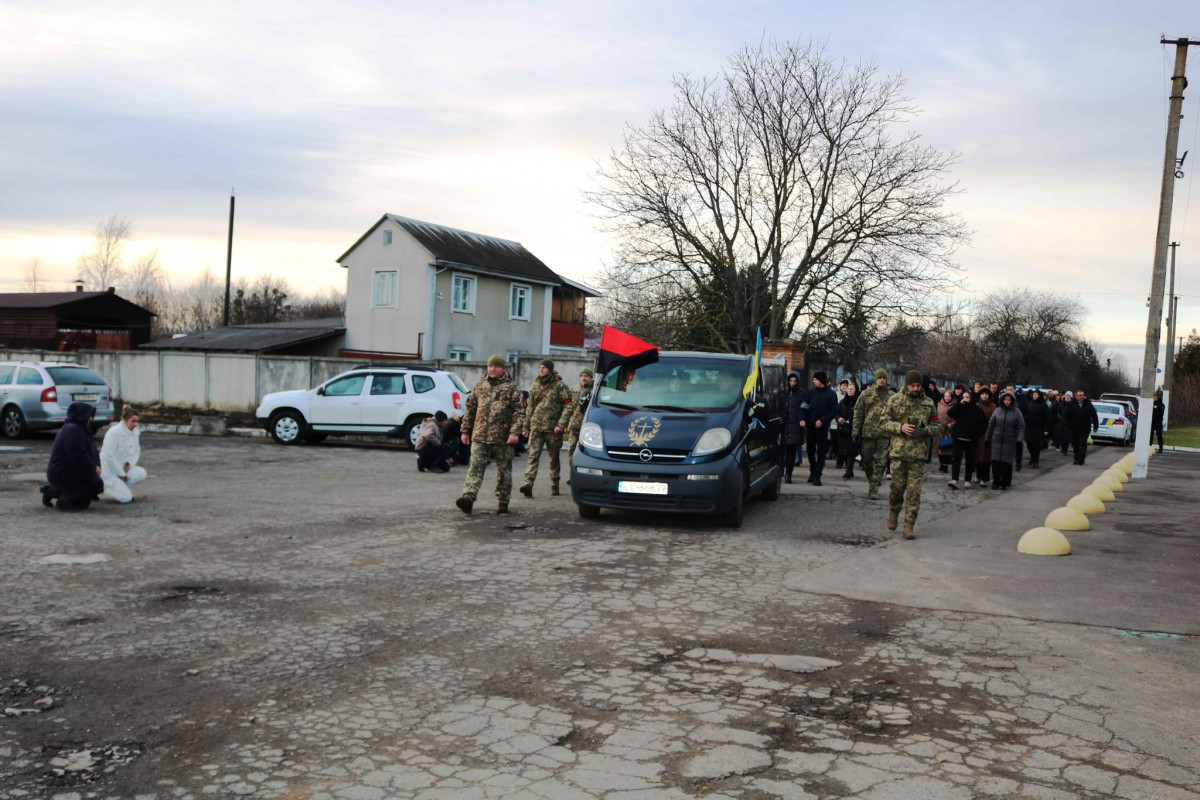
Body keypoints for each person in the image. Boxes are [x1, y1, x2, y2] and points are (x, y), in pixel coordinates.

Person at [456, 355, 525, 515]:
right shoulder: (479, 386)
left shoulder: (512, 388)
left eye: (495, 366)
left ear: (503, 368)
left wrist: (515, 432)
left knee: (504, 471)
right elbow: (470, 410)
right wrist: (465, 431)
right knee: (475, 467)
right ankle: (468, 498)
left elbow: (519, 412)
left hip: (503, 438)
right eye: (490, 366)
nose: (492, 369)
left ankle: (503, 502)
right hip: (480, 435)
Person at [880, 370, 942, 539]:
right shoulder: (895, 400)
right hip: (898, 453)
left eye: (918, 385)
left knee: (914, 492)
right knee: (897, 488)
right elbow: (883, 422)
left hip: (918, 455)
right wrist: (900, 428)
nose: (915, 388)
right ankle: (894, 512)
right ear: (907, 385)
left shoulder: (928, 403)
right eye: (913, 385)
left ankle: (909, 526)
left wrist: (925, 431)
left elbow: (937, 426)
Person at [520, 359, 572, 498]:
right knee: (533, 456)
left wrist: (561, 424)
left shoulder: (560, 386)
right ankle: (528, 484)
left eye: (543, 367)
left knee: (553, 458)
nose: (541, 370)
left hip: (552, 429)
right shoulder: (536, 384)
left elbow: (568, 405)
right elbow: (530, 407)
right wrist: (526, 426)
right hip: (536, 427)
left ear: (550, 369)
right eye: (539, 367)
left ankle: (554, 484)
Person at [40, 402, 104, 511]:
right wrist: (93, 469)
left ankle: (55, 491)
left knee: (90, 493)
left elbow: (93, 451)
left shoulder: (81, 429)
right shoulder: (72, 430)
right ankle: (63, 500)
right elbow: (78, 456)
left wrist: (96, 466)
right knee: (95, 485)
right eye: (89, 416)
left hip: (73, 471)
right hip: (62, 473)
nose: (91, 419)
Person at [852, 369, 892, 500]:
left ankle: (873, 488)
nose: (882, 380)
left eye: (884, 378)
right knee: (867, 462)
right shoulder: (866, 394)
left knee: (880, 462)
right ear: (875, 379)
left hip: (884, 434)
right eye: (880, 377)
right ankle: (873, 480)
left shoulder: (892, 396)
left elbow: (897, 415)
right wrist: (855, 431)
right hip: (868, 434)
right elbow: (858, 414)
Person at [100, 405, 148, 503]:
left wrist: (129, 464)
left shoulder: (134, 432)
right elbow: (108, 456)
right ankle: (102, 487)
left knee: (141, 473)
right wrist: (120, 473)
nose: (136, 424)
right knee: (125, 499)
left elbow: (136, 451)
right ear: (125, 420)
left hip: (123, 467)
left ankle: (120, 486)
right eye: (133, 421)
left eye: (137, 421)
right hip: (108, 469)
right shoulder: (114, 433)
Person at [800, 371, 838, 486]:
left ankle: (817, 475)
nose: (814, 381)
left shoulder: (831, 394)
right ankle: (812, 470)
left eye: (816, 379)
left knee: (821, 452)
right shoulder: (810, 393)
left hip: (822, 428)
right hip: (810, 427)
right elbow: (803, 407)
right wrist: (802, 419)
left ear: (821, 380)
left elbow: (834, 411)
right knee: (810, 451)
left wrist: (822, 420)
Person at [985, 391, 1025, 490]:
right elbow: (991, 425)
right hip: (997, 439)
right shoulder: (997, 411)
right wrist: (987, 437)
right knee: (995, 462)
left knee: (1006, 463)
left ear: (1012, 401)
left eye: (1009, 400)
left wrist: (1019, 439)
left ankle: (1005, 482)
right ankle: (996, 482)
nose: (1007, 402)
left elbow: (1021, 426)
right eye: (1005, 400)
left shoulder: (1017, 412)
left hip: (1010, 440)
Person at [946, 390, 986, 489]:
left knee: (970, 460)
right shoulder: (959, 407)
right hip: (958, 437)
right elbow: (950, 413)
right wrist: (959, 404)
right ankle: (954, 479)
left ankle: (967, 479)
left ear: (971, 398)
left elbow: (984, 424)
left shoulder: (977, 410)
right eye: (964, 397)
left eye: (967, 397)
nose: (966, 399)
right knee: (956, 459)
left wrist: (977, 434)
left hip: (971, 439)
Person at [559, 367, 595, 464]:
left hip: (589, 426)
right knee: (571, 450)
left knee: (588, 453)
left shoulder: (595, 390)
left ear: (591, 378)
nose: (584, 378)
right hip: (575, 425)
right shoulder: (574, 389)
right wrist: (566, 424)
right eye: (582, 376)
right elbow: (569, 407)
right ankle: (573, 475)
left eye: (586, 376)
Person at [1064, 389, 1099, 465]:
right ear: (1076, 396)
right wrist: (1069, 424)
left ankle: (1081, 458)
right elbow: (1066, 416)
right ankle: (1076, 458)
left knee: (1083, 443)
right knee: (1075, 444)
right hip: (1074, 428)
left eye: (1082, 395)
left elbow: (1094, 415)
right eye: (1080, 395)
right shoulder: (1071, 404)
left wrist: (1096, 426)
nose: (1082, 396)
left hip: (1085, 428)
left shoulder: (1088, 404)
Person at [783, 370, 806, 483]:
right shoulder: (783, 392)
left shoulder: (801, 393)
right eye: (791, 381)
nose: (792, 383)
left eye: (794, 381)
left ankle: (788, 474)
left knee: (792, 452)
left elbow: (803, 408)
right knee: (783, 451)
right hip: (784, 425)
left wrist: (802, 419)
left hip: (796, 425)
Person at [836, 381, 859, 479]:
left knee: (851, 451)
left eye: (852, 389)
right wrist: (838, 418)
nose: (849, 391)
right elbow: (837, 412)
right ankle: (848, 468)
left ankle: (849, 470)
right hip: (843, 430)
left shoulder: (858, 402)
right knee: (843, 451)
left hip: (853, 430)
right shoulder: (842, 401)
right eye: (848, 389)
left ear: (855, 390)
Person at [974, 388, 996, 487]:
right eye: (982, 394)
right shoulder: (976, 406)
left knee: (986, 457)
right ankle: (978, 475)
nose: (984, 396)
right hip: (978, 434)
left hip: (989, 434)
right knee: (977, 456)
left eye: (986, 394)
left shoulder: (993, 407)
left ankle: (985, 478)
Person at [1023, 388, 1051, 468]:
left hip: (1038, 428)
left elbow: (1047, 418)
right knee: (1029, 444)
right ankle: (1032, 456)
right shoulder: (1029, 403)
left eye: (1036, 395)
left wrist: (1046, 429)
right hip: (1028, 427)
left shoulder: (1043, 405)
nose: (1035, 396)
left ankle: (1036, 460)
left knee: (1036, 445)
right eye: (1034, 395)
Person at [936, 389, 956, 473]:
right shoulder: (939, 404)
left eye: (949, 396)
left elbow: (958, 418)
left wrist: (952, 424)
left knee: (947, 448)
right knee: (939, 447)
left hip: (949, 430)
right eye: (946, 396)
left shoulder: (955, 405)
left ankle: (945, 466)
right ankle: (941, 464)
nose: (947, 398)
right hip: (939, 429)